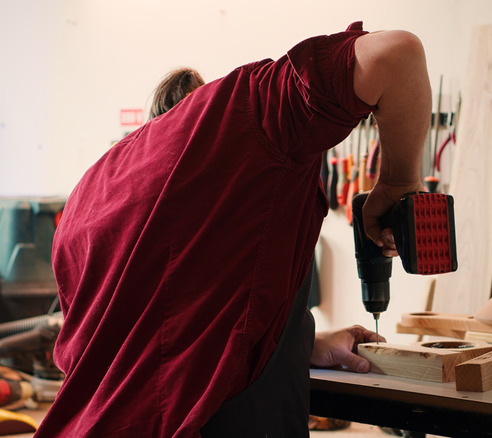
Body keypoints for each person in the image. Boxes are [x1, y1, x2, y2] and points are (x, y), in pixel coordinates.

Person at [35, 21, 431, 437]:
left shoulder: (89, 194)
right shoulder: (243, 123)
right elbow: (396, 53)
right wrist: (399, 183)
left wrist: (301, 345)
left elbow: (150, 337)